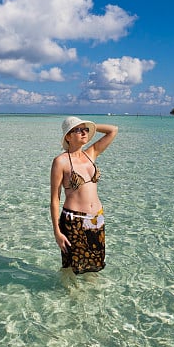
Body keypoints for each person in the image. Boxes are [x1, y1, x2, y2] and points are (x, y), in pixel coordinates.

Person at [50, 116, 118, 274]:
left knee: (95, 264)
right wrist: (57, 232)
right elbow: (55, 199)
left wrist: (91, 125)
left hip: (97, 219)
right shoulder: (60, 161)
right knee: (71, 267)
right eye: (77, 130)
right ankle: (67, 294)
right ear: (68, 136)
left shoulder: (91, 153)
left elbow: (113, 130)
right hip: (74, 220)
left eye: (85, 130)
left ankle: (92, 297)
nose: (83, 132)